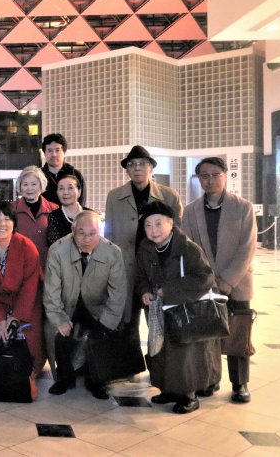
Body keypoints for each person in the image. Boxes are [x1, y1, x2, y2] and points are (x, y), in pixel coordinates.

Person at [182, 157, 257, 404]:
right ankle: (210, 378)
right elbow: (189, 248)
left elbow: (247, 248)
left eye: (215, 175)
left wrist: (227, 280)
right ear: (199, 179)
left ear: (225, 175)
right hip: (205, 283)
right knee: (208, 334)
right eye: (204, 176)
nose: (210, 180)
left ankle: (240, 383)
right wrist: (209, 280)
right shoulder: (190, 211)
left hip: (237, 283)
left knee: (238, 334)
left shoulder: (243, 207)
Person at [136, 201, 219, 414]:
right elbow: (140, 276)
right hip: (159, 310)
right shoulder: (145, 247)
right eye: (148, 225)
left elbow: (205, 277)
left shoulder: (188, 248)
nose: (153, 230)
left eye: (158, 224)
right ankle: (169, 390)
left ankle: (189, 395)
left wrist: (168, 290)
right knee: (160, 350)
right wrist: (144, 291)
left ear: (171, 223)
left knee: (184, 354)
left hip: (185, 311)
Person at [43, 211, 127, 399]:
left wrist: (106, 322)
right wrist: (59, 318)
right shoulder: (57, 251)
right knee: (58, 334)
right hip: (67, 304)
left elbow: (118, 294)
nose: (87, 239)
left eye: (92, 233)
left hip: (98, 306)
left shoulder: (113, 253)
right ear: (73, 231)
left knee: (103, 334)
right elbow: (51, 291)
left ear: (100, 232)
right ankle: (64, 379)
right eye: (81, 233)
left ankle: (97, 381)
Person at [104, 146, 182, 341]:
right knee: (126, 323)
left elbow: (178, 235)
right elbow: (109, 236)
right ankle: (130, 359)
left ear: (151, 168)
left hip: (158, 269)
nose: (137, 168)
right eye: (131, 164)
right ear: (127, 170)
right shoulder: (114, 196)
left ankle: (158, 360)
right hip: (125, 269)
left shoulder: (169, 196)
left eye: (142, 164)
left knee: (160, 323)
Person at [0, 201, 44, 370]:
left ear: (14, 223)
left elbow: (30, 287)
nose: (2, 224)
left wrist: (16, 317)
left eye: (7, 219)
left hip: (27, 304)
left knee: (23, 337)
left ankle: (28, 373)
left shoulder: (27, 246)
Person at [13, 165, 58, 270]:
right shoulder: (11, 209)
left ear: (41, 185)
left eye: (34, 184)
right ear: (20, 186)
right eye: (25, 184)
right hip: (20, 266)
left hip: (49, 266)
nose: (29, 188)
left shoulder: (54, 209)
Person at [40, 133, 86, 207]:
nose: (54, 154)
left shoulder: (75, 175)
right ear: (44, 153)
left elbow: (81, 202)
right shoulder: (38, 176)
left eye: (57, 150)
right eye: (49, 150)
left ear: (64, 152)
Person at [46, 174, 92, 247]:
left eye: (70, 188)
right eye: (61, 188)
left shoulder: (90, 215)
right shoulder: (53, 216)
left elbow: (96, 241)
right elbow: (55, 245)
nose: (66, 193)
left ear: (79, 192)